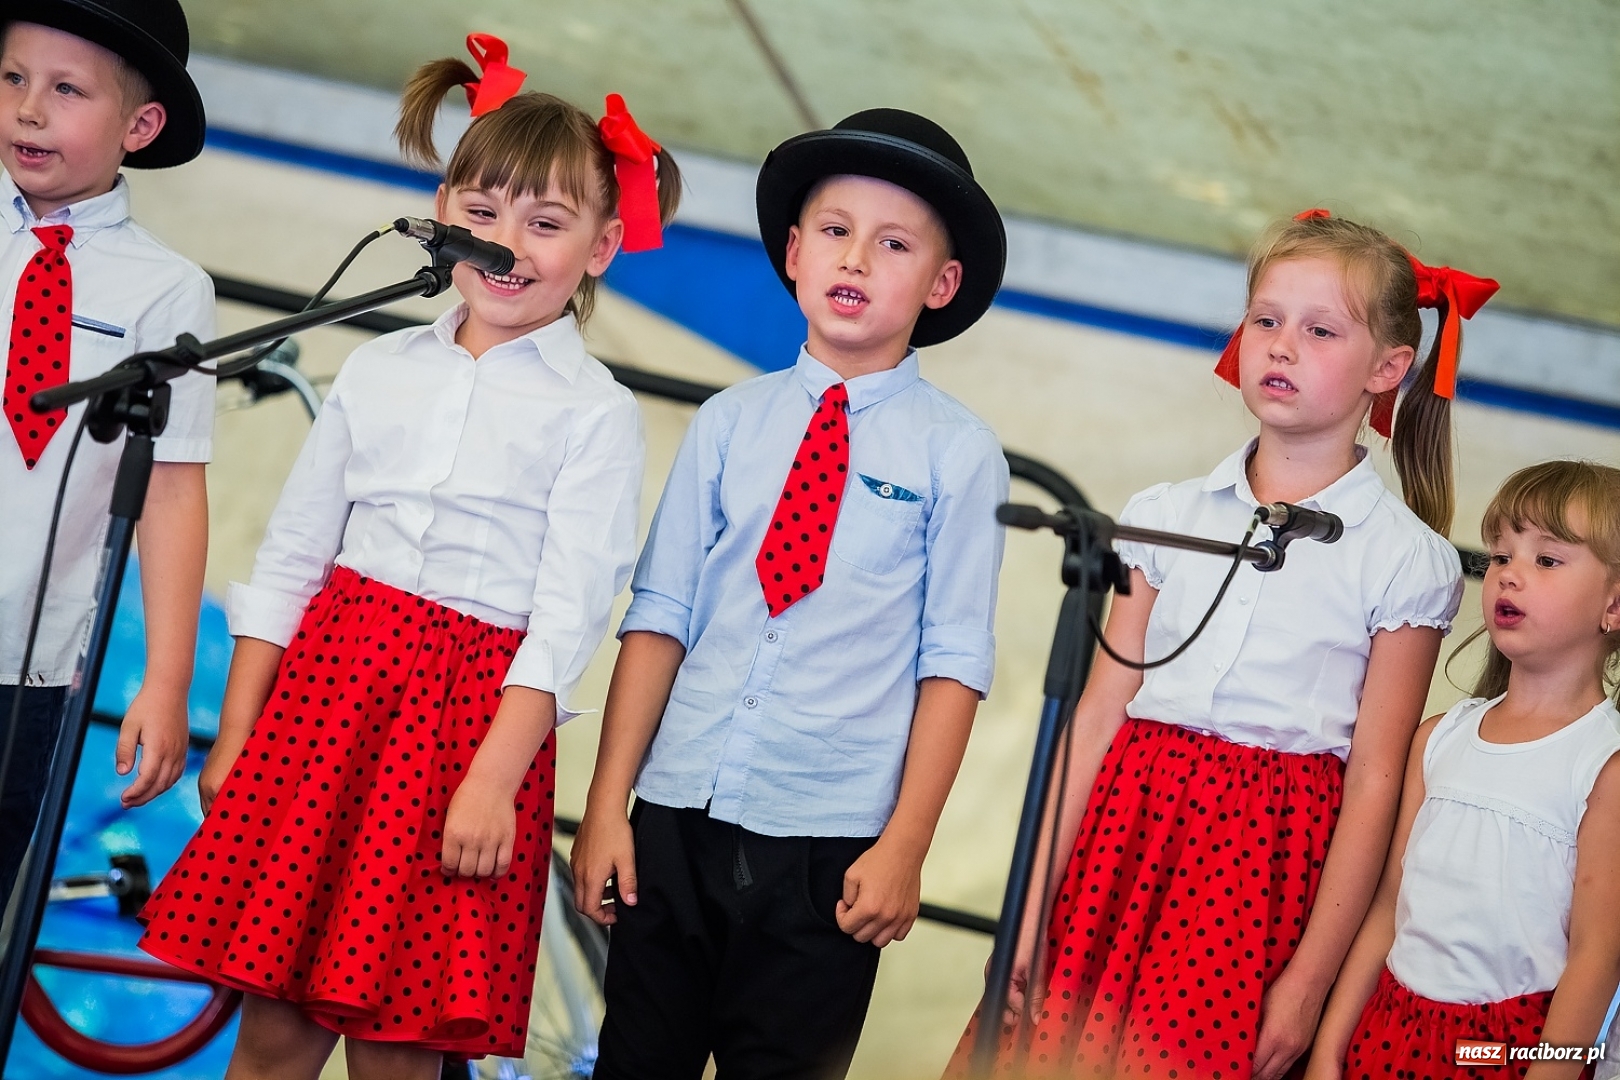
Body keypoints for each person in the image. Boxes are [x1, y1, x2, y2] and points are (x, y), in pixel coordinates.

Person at [136, 34, 680, 1079]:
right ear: (441, 212)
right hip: (326, 702)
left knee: (398, 1049)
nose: (507, 242)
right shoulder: (381, 365)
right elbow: (295, 555)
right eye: (482, 213)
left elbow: (567, 617)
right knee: (275, 1037)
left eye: (545, 222)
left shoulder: (594, 414)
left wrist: (492, 780)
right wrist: (240, 727)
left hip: (468, 726)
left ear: (602, 248)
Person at [956, 210, 1497, 1079]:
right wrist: (1025, 909)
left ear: (1389, 368)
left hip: (1256, 872)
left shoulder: (1408, 560)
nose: (1281, 346)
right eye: (1265, 320)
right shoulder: (1164, 516)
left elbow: (1376, 777)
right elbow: (1099, 713)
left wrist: (1309, 982)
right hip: (1119, 838)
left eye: (1320, 330)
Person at [571, 108, 1010, 1080]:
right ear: (793, 250)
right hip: (679, 811)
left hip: (831, 845)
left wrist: (905, 844)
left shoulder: (957, 452)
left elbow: (955, 661)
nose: (857, 257)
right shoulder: (730, 422)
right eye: (836, 229)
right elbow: (661, 617)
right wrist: (610, 805)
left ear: (942, 284)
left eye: (895, 243)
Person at [0, 0, 214, 910]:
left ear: (141, 124)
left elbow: (171, 493)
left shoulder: (167, 291)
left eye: (65, 89)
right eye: (11, 78)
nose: (28, 109)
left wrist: (165, 685)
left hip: (28, 664)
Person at [1307, 460, 1620, 1080]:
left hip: (1508, 1050)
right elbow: (1387, 910)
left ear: (1614, 605)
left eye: (1547, 561)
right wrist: (1327, 1050)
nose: (1510, 576)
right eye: (1501, 556)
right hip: (1389, 1031)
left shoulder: (1603, 762)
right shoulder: (1439, 738)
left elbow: (1596, 956)